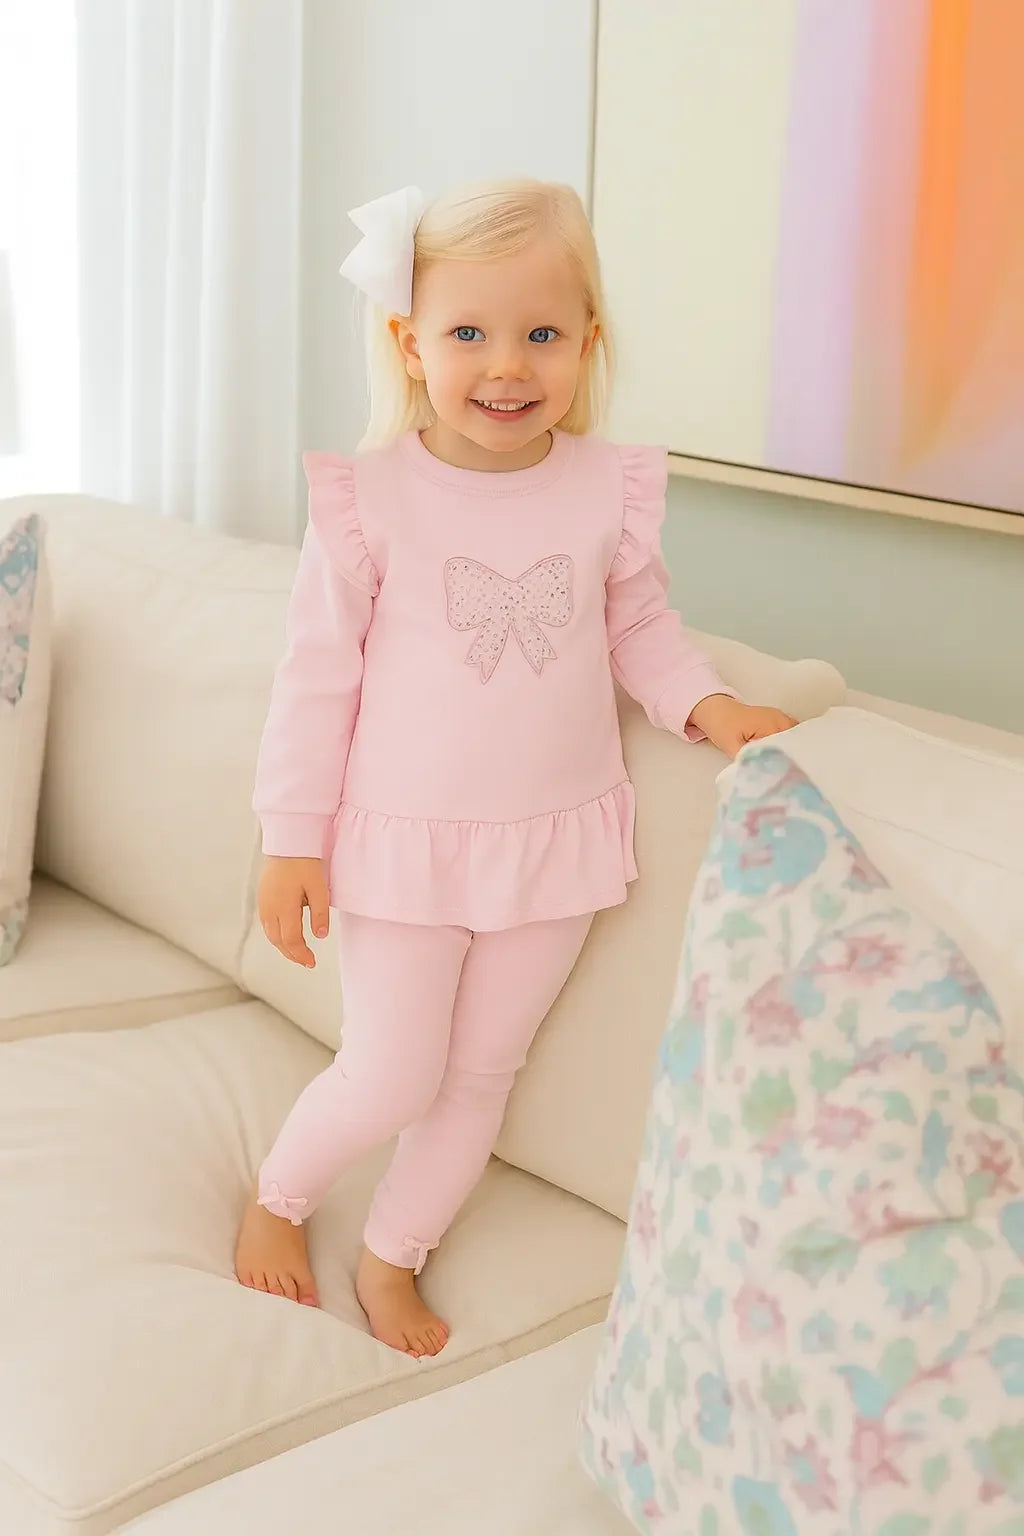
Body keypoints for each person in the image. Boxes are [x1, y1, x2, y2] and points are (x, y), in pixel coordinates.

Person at [234, 179, 795, 1358]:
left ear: (587, 339)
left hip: (557, 843)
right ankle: (279, 1197)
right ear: (411, 344)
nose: (506, 365)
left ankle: (394, 1253)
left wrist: (707, 705)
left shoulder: (606, 488)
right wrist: (291, 839)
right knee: (392, 1073)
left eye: (541, 332)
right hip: (400, 847)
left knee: (482, 1073)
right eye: (469, 333)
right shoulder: (369, 500)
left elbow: (639, 629)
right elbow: (314, 681)